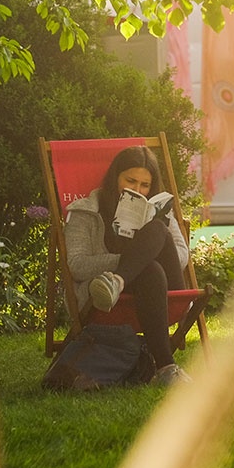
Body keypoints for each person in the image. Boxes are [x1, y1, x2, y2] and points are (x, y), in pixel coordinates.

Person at [64, 146, 191, 386]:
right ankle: (166, 368)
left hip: (165, 289)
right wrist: (134, 260)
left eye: (144, 185)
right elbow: (77, 265)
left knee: (157, 229)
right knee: (151, 269)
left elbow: (182, 255)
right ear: (115, 178)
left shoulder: (159, 210)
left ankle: (117, 280)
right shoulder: (86, 211)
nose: (137, 190)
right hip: (104, 298)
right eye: (130, 181)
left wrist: (140, 254)